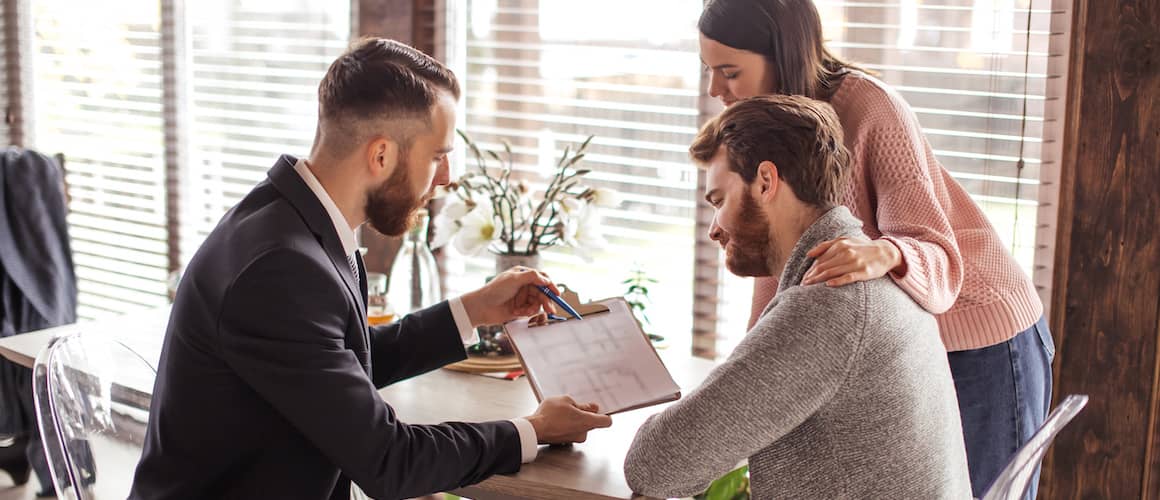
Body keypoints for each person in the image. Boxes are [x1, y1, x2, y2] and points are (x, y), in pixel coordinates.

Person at [129, 38, 611, 500]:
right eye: (438, 155)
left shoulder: (292, 220)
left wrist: (472, 311)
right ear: (381, 155)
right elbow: (389, 462)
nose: (447, 177)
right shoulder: (280, 269)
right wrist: (532, 430)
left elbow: (341, 365)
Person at [697, 1, 1055, 497]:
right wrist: (750, 374)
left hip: (978, 333)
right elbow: (780, 261)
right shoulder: (769, 132)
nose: (716, 89)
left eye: (729, 71)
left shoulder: (869, 106)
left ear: (781, 54)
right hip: (909, 341)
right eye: (709, 71)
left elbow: (934, 245)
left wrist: (886, 253)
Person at [623, 95, 970, 499]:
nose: (713, 229)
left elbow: (655, 465)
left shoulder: (828, 303)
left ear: (766, 182)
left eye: (720, 201)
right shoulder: (872, 275)